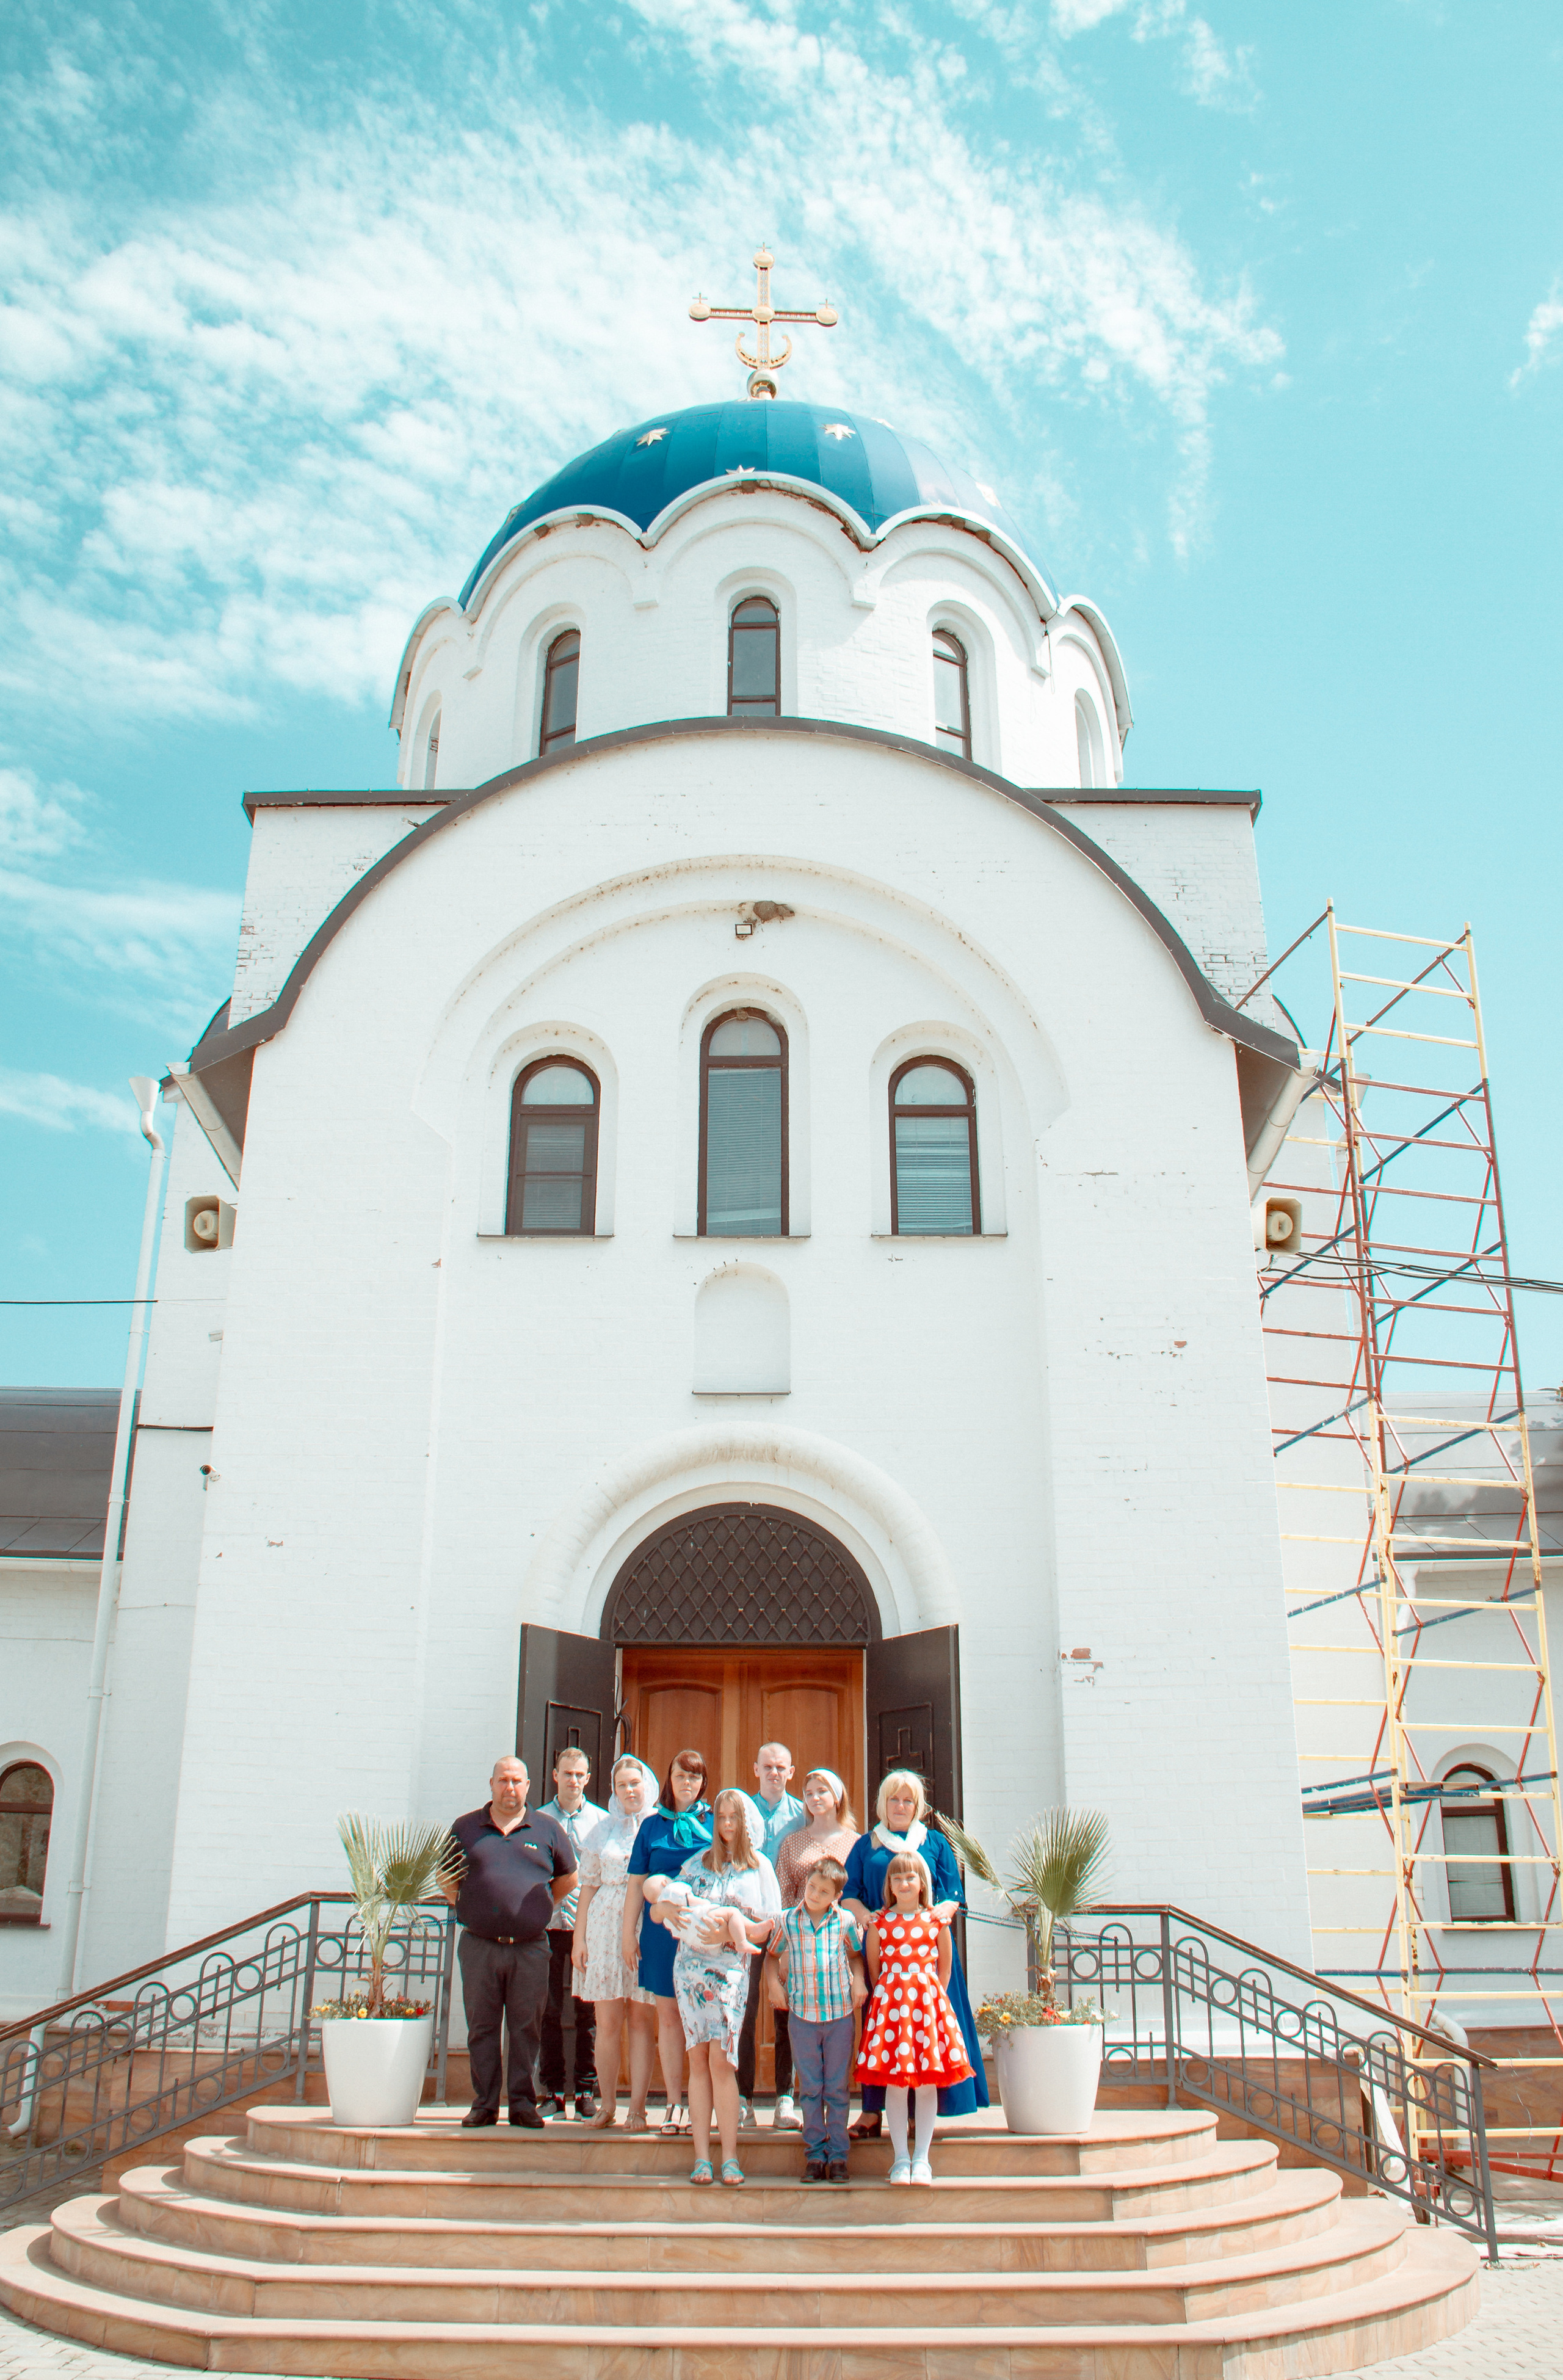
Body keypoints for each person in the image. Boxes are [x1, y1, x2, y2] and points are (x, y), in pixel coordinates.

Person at [841, 1768, 988, 2139]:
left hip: (927, 1960)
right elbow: (849, 1893)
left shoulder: (935, 1843)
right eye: (894, 1799)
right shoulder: (867, 1845)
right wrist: (866, 1917)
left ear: (918, 1805)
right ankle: (873, 2111)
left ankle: (922, 2114)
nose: (901, 1806)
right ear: (883, 1804)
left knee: (929, 2035)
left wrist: (944, 1911)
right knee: (884, 2036)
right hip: (887, 1957)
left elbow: (954, 1892)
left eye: (908, 1800)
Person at [652, 1787, 780, 2185]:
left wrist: (728, 1931)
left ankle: (730, 2156)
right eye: (721, 1817)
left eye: (733, 1818)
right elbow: (660, 1907)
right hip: (689, 1970)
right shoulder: (696, 1864)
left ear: (746, 1822)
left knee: (723, 2061)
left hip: (730, 1973)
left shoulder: (758, 1867)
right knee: (698, 2061)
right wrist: (669, 1909)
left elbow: (771, 1927)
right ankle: (701, 2157)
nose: (726, 1825)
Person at [442, 1755, 578, 2128]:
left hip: (531, 1946)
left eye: (517, 1781)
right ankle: (484, 2104)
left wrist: (538, 1907)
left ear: (529, 1785)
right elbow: (445, 1878)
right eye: (503, 1780)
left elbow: (569, 1878)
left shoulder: (547, 1829)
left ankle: (522, 2104)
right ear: (491, 1784)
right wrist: (475, 1906)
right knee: (482, 2027)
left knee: (526, 2027)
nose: (510, 1788)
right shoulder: (466, 1828)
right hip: (480, 1945)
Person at [856, 1849, 973, 2183]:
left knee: (926, 2087)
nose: (904, 1883)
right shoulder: (879, 1923)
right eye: (897, 1878)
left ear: (922, 1883)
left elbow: (945, 1969)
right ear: (889, 1885)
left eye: (910, 1877)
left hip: (926, 2010)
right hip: (892, 2013)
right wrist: (895, 1995)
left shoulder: (936, 1921)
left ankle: (922, 2158)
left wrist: (927, 1998)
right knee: (895, 2085)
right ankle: (900, 2159)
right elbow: (875, 1970)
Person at [623, 1747, 712, 2136]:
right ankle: (675, 2103)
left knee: (704, 2019)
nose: (687, 1783)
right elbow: (635, 1885)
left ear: (703, 1782)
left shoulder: (713, 1820)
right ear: (669, 1780)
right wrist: (628, 1933)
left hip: (704, 1934)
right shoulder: (651, 1826)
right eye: (681, 1775)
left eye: (695, 1776)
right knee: (671, 2018)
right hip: (660, 1935)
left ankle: (701, 2103)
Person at [572, 1755, 661, 2130]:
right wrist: (579, 1938)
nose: (629, 1791)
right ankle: (607, 2104)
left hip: (646, 1925)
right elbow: (588, 1885)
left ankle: (637, 2108)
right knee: (607, 2021)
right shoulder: (601, 1830)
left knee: (642, 2019)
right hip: (604, 1927)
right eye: (622, 1785)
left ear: (647, 1787)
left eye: (635, 1784)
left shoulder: (659, 1828)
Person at [769, 1852, 865, 2183]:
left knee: (837, 2088)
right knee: (810, 2089)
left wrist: (860, 1982)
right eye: (811, 1887)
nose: (814, 1894)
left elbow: (855, 1956)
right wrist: (772, 1984)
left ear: (836, 1896)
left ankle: (838, 2156)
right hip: (803, 2017)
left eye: (824, 1892)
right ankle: (814, 2155)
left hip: (839, 2016)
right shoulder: (788, 1921)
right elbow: (772, 1956)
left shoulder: (846, 1922)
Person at [771, 1768, 858, 2132]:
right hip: (797, 1940)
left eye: (822, 1790)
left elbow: (860, 1893)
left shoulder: (857, 1841)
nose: (815, 1797)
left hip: (839, 1943)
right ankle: (787, 2097)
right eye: (808, 1792)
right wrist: (789, 1947)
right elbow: (782, 1889)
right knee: (791, 2018)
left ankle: (843, 2120)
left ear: (837, 1796)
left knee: (839, 2034)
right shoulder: (793, 1842)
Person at [736, 1740, 805, 2127]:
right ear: (756, 1770)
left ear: (790, 1772)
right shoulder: (740, 1812)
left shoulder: (802, 1815)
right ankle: (742, 2097)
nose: (775, 1773)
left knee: (786, 2010)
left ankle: (784, 2097)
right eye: (768, 1767)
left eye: (782, 1767)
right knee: (743, 2010)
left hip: (789, 1925)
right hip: (747, 1922)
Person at [536, 1746, 607, 2118]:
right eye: (568, 1774)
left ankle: (585, 2090)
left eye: (580, 1775)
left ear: (588, 1778)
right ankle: (551, 2091)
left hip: (588, 1927)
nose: (574, 1781)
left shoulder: (602, 1820)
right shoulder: (537, 1819)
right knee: (547, 2009)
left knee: (587, 2012)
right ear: (555, 1776)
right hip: (546, 1925)